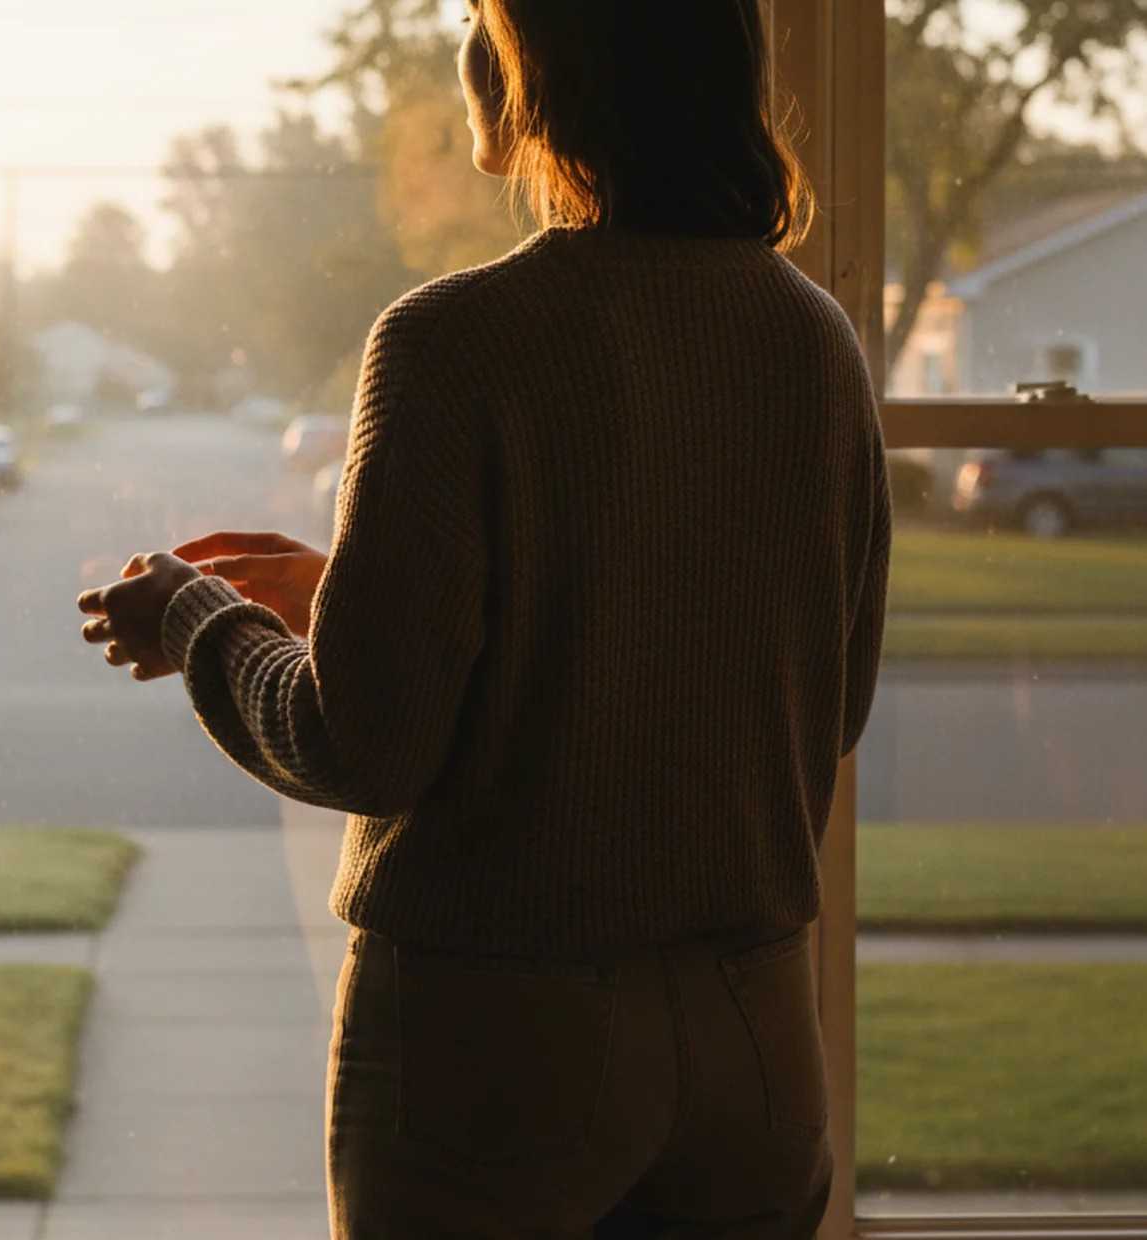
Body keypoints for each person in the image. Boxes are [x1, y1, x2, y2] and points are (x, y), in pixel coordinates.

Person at [77, 1, 890, 1235]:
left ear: (537, 60)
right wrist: (357, 599)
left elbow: (360, 746)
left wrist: (194, 619)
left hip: (495, 1049)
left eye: (478, 14)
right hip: (756, 1040)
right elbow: (810, 697)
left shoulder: (448, 343)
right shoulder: (811, 340)